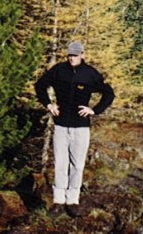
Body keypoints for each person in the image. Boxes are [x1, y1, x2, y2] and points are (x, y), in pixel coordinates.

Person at [35, 41, 115, 217]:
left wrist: (94, 110)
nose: (72, 58)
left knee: (77, 165)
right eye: (70, 55)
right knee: (60, 164)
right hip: (61, 124)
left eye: (75, 55)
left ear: (82, 55)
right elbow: (40, 85)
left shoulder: (90, 74)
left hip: (81, 127)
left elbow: (109, 93)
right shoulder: (58, 70)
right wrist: (49, 104)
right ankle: (58, 202)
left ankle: (72, 201)